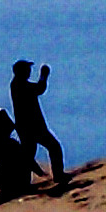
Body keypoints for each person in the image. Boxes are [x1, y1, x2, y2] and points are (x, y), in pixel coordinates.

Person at [10, 59, 67, 191]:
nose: (29, 72)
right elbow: (39, 89)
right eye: (27, 69)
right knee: (53, 147)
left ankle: (24, 183)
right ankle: (58, 175)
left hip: (27, 126)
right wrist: (44, 76)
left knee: (29, 154)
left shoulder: (17, 84)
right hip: (32, 126)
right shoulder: (19, 85)